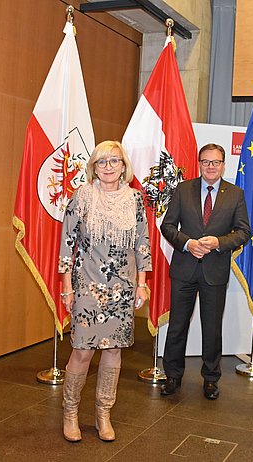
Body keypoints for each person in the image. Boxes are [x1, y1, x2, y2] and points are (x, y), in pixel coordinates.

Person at [58, 140, 151, 443]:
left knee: (113, 350)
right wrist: (67, 287)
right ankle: (70, 413)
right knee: (82, 350)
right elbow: (66, 245)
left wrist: (142, 282)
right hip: (86, 285)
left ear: (124, 166)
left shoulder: (135, 199)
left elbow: (142, 243)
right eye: (102, 161)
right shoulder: (81, 197)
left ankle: (103, 413)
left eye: (114, 161)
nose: (109, 167)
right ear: (93, 167)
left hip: (122, 289)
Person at [159, 143, 251, 400]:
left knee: (212, 328)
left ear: (223, 164)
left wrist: (218, 243)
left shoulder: (235, 194)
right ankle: (173, 375)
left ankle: (211, 378)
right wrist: (188, 244)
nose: (211, 167)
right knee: (177, 325)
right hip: (184, 269)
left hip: (215, 270)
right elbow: (167, 226)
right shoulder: (182, 190)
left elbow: (244, 231)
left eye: (216, 162)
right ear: (199, 164)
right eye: (205, 162)